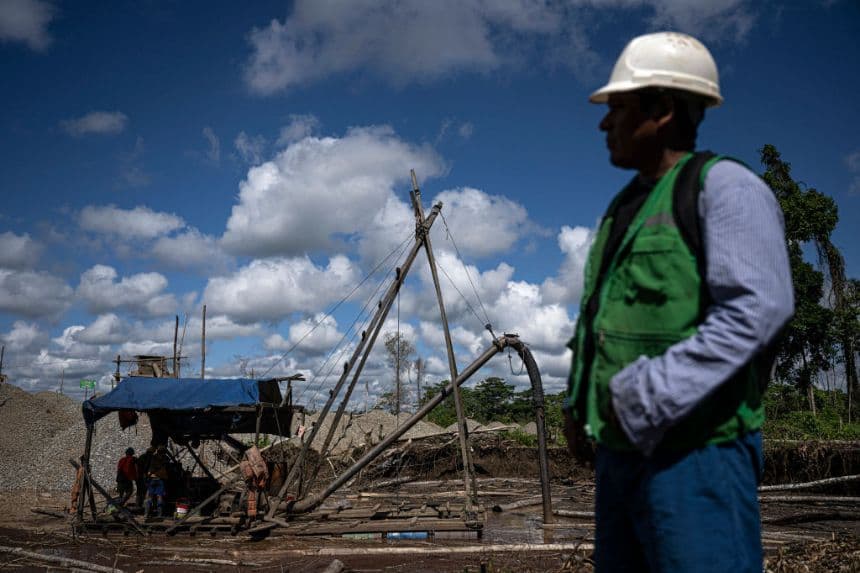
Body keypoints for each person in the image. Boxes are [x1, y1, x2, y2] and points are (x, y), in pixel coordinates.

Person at [563, 32, 794, 572]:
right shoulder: (625, 207)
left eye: (617, 108)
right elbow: (600, 322)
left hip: (697, 458)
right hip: (620, 458)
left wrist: (645, 394)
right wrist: (579, 410)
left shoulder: (727, 189)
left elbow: (757, 310)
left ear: (663, 109)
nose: (604, 123)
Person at [143, 444, 170, 518]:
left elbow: (148, 467)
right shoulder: (165, 458)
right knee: (159, 496)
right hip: (160, 479)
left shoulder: (153, 457)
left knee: (149, 497)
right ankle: (159, 514)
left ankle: (146, 513)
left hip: (152, 478)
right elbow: (168, 464)